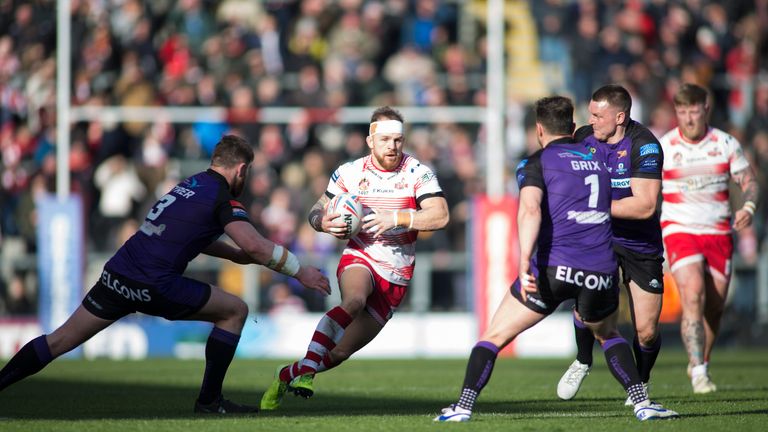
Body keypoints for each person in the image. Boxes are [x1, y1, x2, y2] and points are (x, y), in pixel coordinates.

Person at [0, 135, 331, 414]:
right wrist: (301, 272)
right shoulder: (222, 197)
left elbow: (183, 233)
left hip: (119, 273)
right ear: (241, 169)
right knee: (235, 311)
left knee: (59, 340)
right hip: (154, 283)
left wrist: (233, 255)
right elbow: (256, 245)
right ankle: (209, 401)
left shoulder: (189, 185)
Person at [434, 96, 678, 422]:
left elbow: (531, 209)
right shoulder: (598, 161)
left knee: (494, 336)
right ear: (574, 127)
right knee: (609, 334)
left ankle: (462, 407)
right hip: (599, 270)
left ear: (538, 130)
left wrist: (523, 259)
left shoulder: (535, 163)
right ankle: (642, 402)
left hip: (555, 267)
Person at [259, 106, 449, 410]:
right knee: (354, 301)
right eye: (385, 139)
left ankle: (288, 374)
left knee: (337, 354)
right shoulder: (349, 172)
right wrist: (323, 222)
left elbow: (440, 215)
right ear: (370, 141)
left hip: (396, 275)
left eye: (397, 140)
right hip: (360, 256)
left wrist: (397, 217)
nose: (392, 146)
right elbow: (316, 210)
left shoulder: (418, 173)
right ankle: (307, 372)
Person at [557, 85, 666, 406]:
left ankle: (640, 383)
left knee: (646, 331)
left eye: (597, 115)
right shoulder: (583, 138)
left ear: (620, 117)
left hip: (639, 244)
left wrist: (592, 205)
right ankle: (582, 360)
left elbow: (645, 206)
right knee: (584, 305)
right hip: (598, 239)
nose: (589, 120)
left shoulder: (644, 146)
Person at [659, 83, 759, 394]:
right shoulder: (665, 147)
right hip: (679, 229)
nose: (688, 118)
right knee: (692, 294)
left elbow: (749, 180)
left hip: (717, 232)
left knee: (714, 308)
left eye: (693, 111)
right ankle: (700, 373)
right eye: (682, 112)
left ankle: (700, 359)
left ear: (706, 109)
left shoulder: (725, 143)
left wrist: (749, 206)